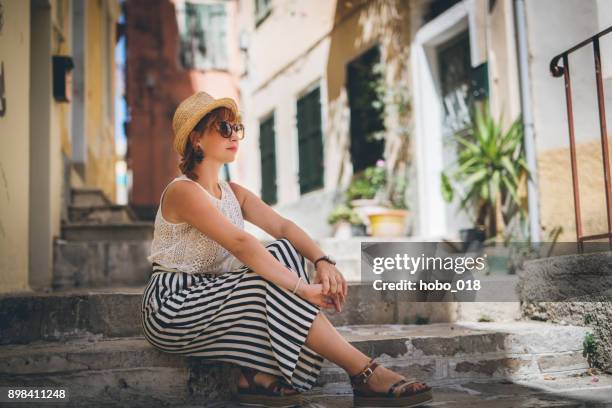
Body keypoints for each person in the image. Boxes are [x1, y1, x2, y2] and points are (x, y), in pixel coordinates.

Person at [140, 91, 434, 407]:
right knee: (268, 271)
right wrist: (301, 289)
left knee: (282, 249)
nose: (234, 135)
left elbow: (283, 227)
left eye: (236, 127)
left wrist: (322, 260)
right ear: (196, 140)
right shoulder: (183, 191)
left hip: (215, 295)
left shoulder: (233, 193)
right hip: (172, 306)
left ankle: (254, 376)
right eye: (223, 128)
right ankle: (363, 371)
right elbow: (241, 244)